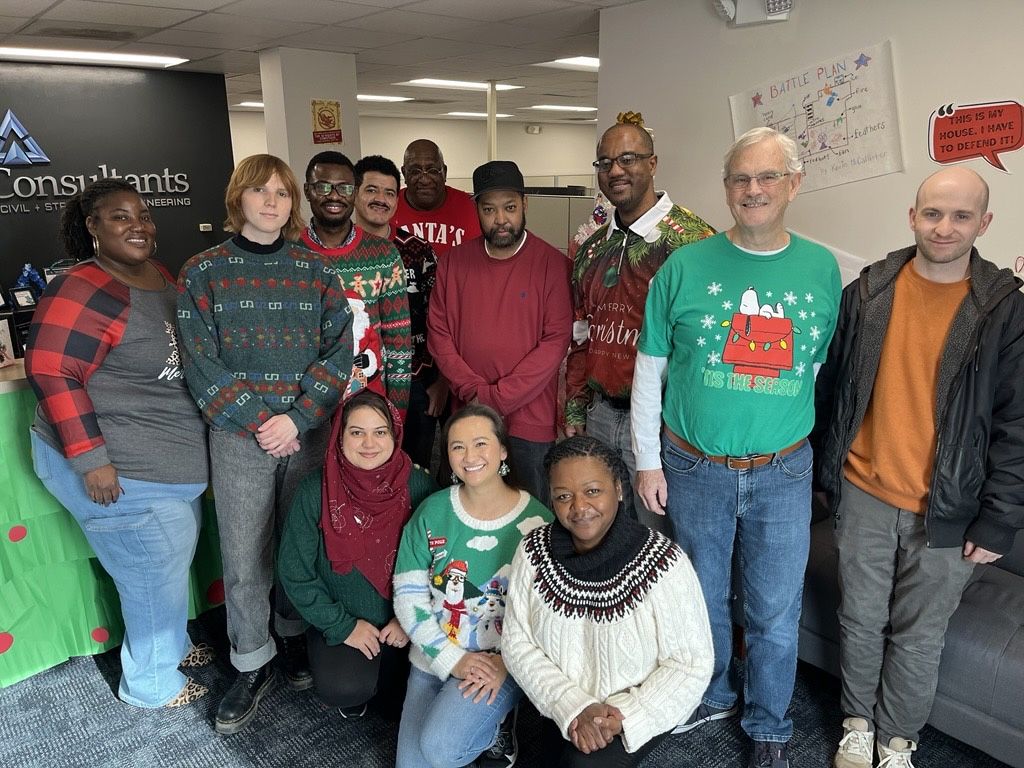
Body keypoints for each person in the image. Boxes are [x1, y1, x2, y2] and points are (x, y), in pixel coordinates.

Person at [631, 127, 841, 768]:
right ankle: (713, 694)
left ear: (793, 184)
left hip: (783, 470)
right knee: (701, 599)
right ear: (726, 189)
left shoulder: (822, 268)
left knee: (775, 610)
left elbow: (815, 364)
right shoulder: (685, 266)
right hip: (694, 466)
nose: (753, 190)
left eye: (767, 177)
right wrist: (645, 460)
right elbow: (649, 370)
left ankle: (769, 724)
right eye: (740, 179)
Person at [814, 167, 1024, 768]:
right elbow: (832, 390)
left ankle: (896, 739)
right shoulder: (870, 290)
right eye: (932, 213)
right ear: (913, 217)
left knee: (918, 633)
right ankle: (857, 722)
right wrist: (824, 474)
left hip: (951, 510)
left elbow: (1016, 427)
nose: (944, 227)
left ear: (983, 225)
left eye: (961, 216)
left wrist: (998, 522)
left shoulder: (1005, 311)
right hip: (864, 491)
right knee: (859, 617)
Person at [177, 154, 354, 735]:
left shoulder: (317, 271)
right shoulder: (203, 271)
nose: (272, 201)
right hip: (238, 436)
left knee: (300, 544)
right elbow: (200, 361)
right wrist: (260, 421)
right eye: (260, 192)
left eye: (281, 192)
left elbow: (339, 353)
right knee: (246, 553)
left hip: (305, 434)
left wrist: (297, 418)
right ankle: (252, 660)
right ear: (239, 199)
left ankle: (294, 636)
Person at [26, 178, 210, 708]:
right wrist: (92, 459)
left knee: (169, 567)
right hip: (118, 470)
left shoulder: (155, 275)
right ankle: (150, 684)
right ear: (93, 227)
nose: (139, 225)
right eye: (120, 216)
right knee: (151, 575)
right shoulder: (81, 287)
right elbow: (51, 370)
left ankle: (172, 646)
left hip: (163, 466)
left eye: (144, 215)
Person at [503, 435, 714, 767]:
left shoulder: (665, 563)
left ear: (618, 488)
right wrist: (573, 706)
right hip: (561, 700)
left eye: (592, 491)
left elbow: (691, 664)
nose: (579, 508)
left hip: (633, 709)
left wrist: (624, 716)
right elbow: (517, 642)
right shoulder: (532, 551)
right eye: (563, 496)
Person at [564, 114, 714, 533]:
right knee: (602, 535)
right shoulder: (592, 249)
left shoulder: (692, 243)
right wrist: (575, 405)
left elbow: (708, 347)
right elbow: (581, 335)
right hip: (599, 417)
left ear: (652, 164)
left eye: (628, 158)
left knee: (660, 541)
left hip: (663, 427)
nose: (615, 170)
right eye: (604, 162)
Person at [392, 404, 553, 768]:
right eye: (457, 447)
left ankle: (499, 719)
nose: (469, 456)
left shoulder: (538, 521)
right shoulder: (432, 511)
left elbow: (546, 614)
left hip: (498, 663)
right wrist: (453, 659)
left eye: (481, 443)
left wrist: (508, 666)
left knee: (441, 750)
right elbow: (408, 596)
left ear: (503, 450)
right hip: (434, 656)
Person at [279, 390, 437, 718]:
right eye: (356, 432)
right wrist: (343, 625)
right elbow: (295, 572)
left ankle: (388, 672)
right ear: (339, 437)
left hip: (405, 616)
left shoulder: (419, 486)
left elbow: (442, 563)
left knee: (407, 698)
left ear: (395, 436)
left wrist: (411, 618)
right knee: (345, 689)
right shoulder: (315, 491)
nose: (369, 443)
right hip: (342, 617)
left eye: (380, 432)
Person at [427, 160, 573, 502]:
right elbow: (439, 334)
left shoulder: (552, 265)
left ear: (524, 204)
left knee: (531, 511)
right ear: (477, 210)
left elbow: (554, 343)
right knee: (466, 504)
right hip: (467, 414)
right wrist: (472, 390)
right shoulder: (453, 263)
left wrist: (495, 397)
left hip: (529, 421)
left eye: (509, 207)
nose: (501, 219)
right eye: (489, 209)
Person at [353, 154, 447, 470]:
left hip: (417, 380)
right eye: (371, 190)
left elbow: (442, 320)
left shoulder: (417, 251)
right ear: (354, 193)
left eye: (389, 192)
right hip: (353, 383)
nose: (381, 199)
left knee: (413, 469)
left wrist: (441, 381)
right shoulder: (333, 254)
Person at [301, 150, 412, 415]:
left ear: (354, 192)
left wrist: (396, 413)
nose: (334, 195)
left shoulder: (383, 254)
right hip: (304, 407)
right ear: (307, 191)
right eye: (323, 186)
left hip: (368, 403)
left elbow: (398, 341)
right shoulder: (290, 252)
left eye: (344, 188)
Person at [392, 139, 481, 258]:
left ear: (445, 172)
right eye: (415, 171)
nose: (425, 180)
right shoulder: (388, 208)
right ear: (404, 173)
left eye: (433, 170)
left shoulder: (472, 207)